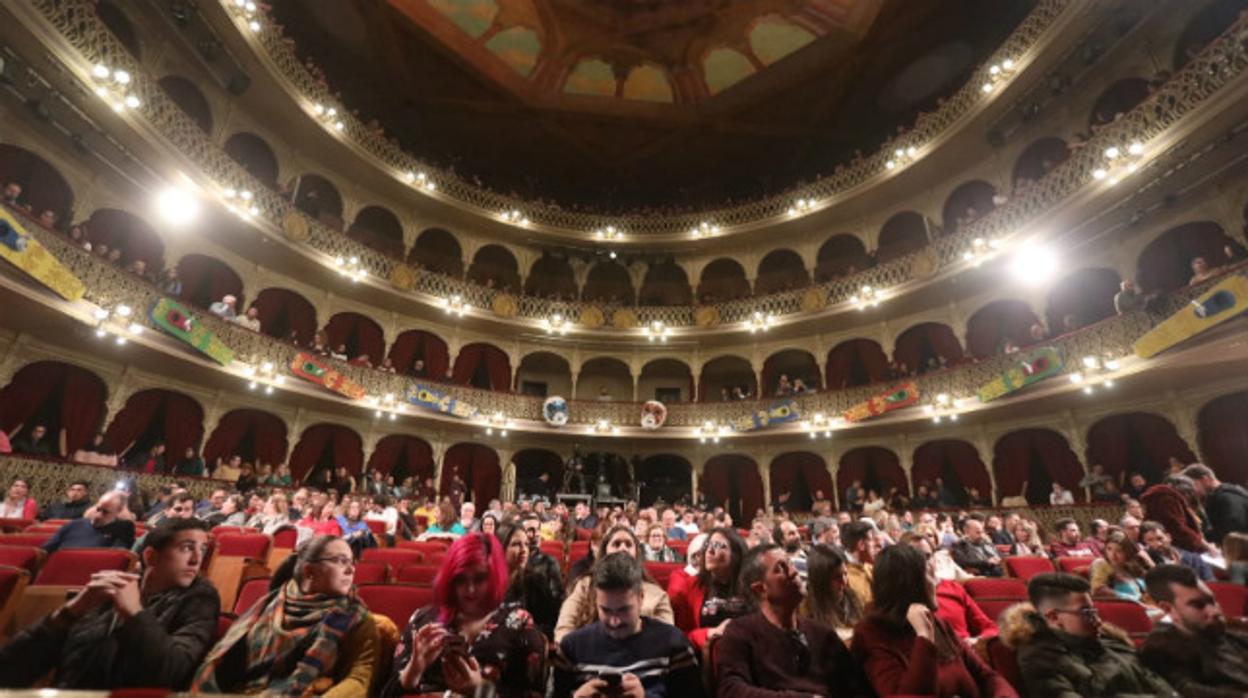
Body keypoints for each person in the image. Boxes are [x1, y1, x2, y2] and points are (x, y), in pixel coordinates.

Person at [0, 517, 219, 689]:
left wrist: (134, 614)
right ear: (151, 556)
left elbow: (169, 673)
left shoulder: (200, 598)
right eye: (187, 548)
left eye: (202, 549)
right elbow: (10, 669)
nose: (196, 560)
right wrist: (71, 612)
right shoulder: (111, 588)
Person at [193, 536, 377, 694]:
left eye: (352, 561)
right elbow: (226, 660)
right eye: (341, 561)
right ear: (309, 571)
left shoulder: (355, 617)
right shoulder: (269, 604)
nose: (351, 569)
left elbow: (358, 681)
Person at [385, 533, 547, 697]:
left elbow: (534, 694)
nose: (470, 589)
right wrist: (413, 671)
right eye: (460, 579)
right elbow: (386, 694)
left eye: (480, 578)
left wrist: (480, 691)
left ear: (494, 577)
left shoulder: (519, 625)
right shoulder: (423, 619)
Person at [851, 545, 1016, 697]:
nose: (937, 582)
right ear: (910, 585)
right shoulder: (872, 635)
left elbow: (986, 675)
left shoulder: (938, 622)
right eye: (930, 574)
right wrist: (924, 638)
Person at [717, 544, 871, 697]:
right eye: (780, 569)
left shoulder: (821, 634)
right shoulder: (741, 633)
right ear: (761, 589)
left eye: (790, 563)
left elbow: (857, 688)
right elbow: (731, 690)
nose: (794, 572)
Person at [553, 553, 704, 698]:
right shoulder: (571, 648)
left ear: (641, 598)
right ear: (595, 601)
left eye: (624, 609)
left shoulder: (674, 644)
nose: (615, 621)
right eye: (605, 610)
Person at [1002, 572, 1177, 697]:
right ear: (1054, 617)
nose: (1098, 621)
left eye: (1094, 611)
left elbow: (1154, 677)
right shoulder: (1040, 657)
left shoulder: (1107, 638)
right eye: (1086, 612)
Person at [1140, 564, 1248, 696]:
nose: (1214, 611)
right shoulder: (1158, 648)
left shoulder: (1220, 630)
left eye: (1212, 601)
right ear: (1168, 609)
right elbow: (1188, 691)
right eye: (1198, 605)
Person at [556, 525, 672, 642]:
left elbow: (665, 638)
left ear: (637, 552)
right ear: (605, 551)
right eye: (616, 544)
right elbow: (564, 629)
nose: (623, 549)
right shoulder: (585, 586)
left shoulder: (657, 594)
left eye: (628, 544)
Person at [668, 526, 749, 652]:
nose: (710, 551)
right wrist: (709, 633)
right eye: (708, 545)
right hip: (707, 654)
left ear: (736, 555)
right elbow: (679, 635)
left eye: (719, 546)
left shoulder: (751, 586)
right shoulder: (690, 587)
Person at [496, 521, 565, 639]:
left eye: (526, 544)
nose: (524, 550)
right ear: (501, 547)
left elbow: (550, 621)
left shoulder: (536, 580)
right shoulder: (487, 581)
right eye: (516, 544)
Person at [802, 544, 865, 641]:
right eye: (837, 577)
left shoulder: (852, 596)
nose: (844, 581)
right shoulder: (806, 607)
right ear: (821, 580)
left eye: (845, 574)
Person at [43, 491, 136, 552]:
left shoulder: (124, 528)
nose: (98, 515)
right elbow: (45, 550)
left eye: (105, 512)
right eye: (98, 509)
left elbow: (116, 557)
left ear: (118, 511)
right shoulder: (74, 524)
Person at [1142, 475, 1212, 553]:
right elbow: (1177, 527)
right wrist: (1202, 544)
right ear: (1185, 493)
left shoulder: (1161, 497)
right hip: (1175, 547)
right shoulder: (1167, 499)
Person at [1184, 463, 1248, 545]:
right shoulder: (1223, 496)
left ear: (1205, 479)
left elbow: (1234, 528)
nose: (1193, 491)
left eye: (1193, 485)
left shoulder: (1227, 497)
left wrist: (1206, 535)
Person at [1140, 520, 1214, 580]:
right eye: (1150, 540)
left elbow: (1211, 581)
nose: (1158, 544)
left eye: (1160, 538)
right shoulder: (1147, 563)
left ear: (1168, 537)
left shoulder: (1193, 558)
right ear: (1145, 542)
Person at [1088, 529, 1149, 602]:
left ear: (1127, 552)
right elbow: (1098, 590)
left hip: (1147, 605)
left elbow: (1151, 582)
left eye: (1119, 550)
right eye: (1109, 549)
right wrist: (1133, 598)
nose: (1113, 555)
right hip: (1124, 607)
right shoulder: (1101, 563)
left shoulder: (1131, 566)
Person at [841, 520, 879, 605]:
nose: (876, 544)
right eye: (871, 540)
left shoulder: (869, 567)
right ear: (861, 545)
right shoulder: (843, 575)